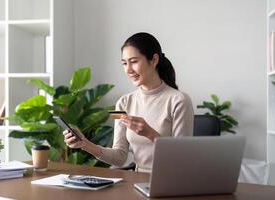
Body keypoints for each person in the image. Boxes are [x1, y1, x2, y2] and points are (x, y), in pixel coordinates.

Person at [63, 32, 194, 173]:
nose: (128, 70)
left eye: (134, 61)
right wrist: (85, 144)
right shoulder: (122, 103)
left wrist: (150, 133)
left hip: (171, 181)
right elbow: (119, 156)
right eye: (124, 63)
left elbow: (182, 158)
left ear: (154, 60)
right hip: (137, 182)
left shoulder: (180, 100)